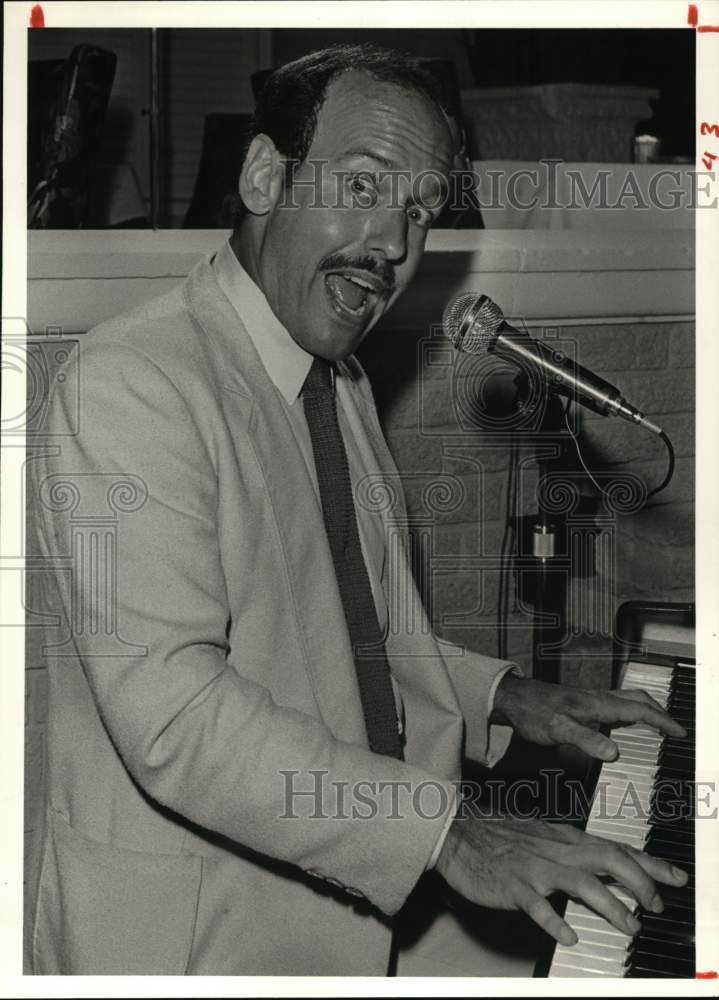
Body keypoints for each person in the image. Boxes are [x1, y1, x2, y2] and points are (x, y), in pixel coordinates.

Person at [27, 44, 687, 976]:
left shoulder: (334, 382)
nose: (391, 241)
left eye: (418, 210)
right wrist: (448, 832)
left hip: (342, 907)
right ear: (265, 177)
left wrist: (507, 695)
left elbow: (355, 637)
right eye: (363, 186)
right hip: (192, 942)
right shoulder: (132, 383)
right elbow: (175, 716)